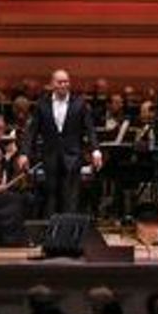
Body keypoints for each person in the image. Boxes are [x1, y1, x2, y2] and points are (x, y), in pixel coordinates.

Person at [29, 69, 100, 215]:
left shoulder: (80, 104)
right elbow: (32, 131)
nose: (63, 85)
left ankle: (69, 233)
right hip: (50, 156)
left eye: (66, 81)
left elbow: (89, 129)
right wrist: (24, 153)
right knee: (51, 196)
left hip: (72, 157)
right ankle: (52, 233)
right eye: (60, 82)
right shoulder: (42, 104)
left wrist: (95, 150)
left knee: (71, 197)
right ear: (52, 84)